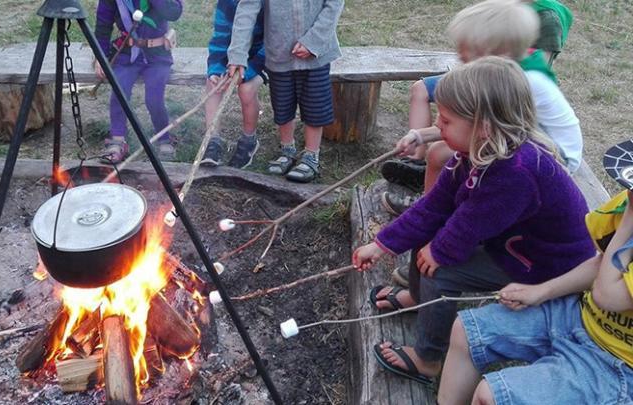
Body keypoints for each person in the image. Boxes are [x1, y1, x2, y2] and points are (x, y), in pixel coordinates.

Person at [351, 57, 595, 385]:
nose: (438, 126)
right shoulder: (475, 154)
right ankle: (419, 297)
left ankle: (429, 359)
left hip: (545, 264)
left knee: (440, 270)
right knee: (429, 243)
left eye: (447, 120)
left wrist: (438, 253)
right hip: (513, 243)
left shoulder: (515, 173)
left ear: (483, 127)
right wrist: (382, 244)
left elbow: (465, 229)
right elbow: (434, 207)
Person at [437, 142, 633, 404]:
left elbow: (607, 295)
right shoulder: (625, 203)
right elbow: (602, 264)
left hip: (618, 364)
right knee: (467, 331)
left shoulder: (629, 212)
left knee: (492, 396)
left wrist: (630, 220)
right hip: (579, 317)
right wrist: (542, 291)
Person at [381, 0, 580, 212]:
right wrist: (420, 136)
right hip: (519, 138)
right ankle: (431, 208)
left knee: (445, 155)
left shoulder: (521, 81)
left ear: (497, 53)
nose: (463, 64)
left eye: (467, 59)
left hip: (555, 156)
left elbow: (476, 125)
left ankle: (434, 213)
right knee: (445, 153)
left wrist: (423, 135)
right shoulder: (505, 68)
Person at [227, 0, 344, 183]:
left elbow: (334, 4)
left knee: (315, 104)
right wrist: (237, 54)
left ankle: (311, 155)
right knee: (282, 103)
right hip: (279, 51)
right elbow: (247, 9)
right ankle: (287, 149)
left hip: (317, 53)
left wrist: (313, 41)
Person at [94, 0, 183, 164]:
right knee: (119, 92)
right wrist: (100, 56)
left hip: (158, 55)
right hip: (126, 54)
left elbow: (174, 12)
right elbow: (103, 24)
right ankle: (118, 140)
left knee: (154, 98)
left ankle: (164, 138)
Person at [200, 0, 265, 169]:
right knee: (213, 84)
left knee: (246, 89)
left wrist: (244, 75)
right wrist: (216, 70)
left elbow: (272, 45)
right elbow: (220, 37)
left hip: (266, 58)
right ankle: (212, 140)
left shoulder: (271, 4)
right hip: (236, 58)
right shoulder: (227, 3)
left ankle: (249, 141)